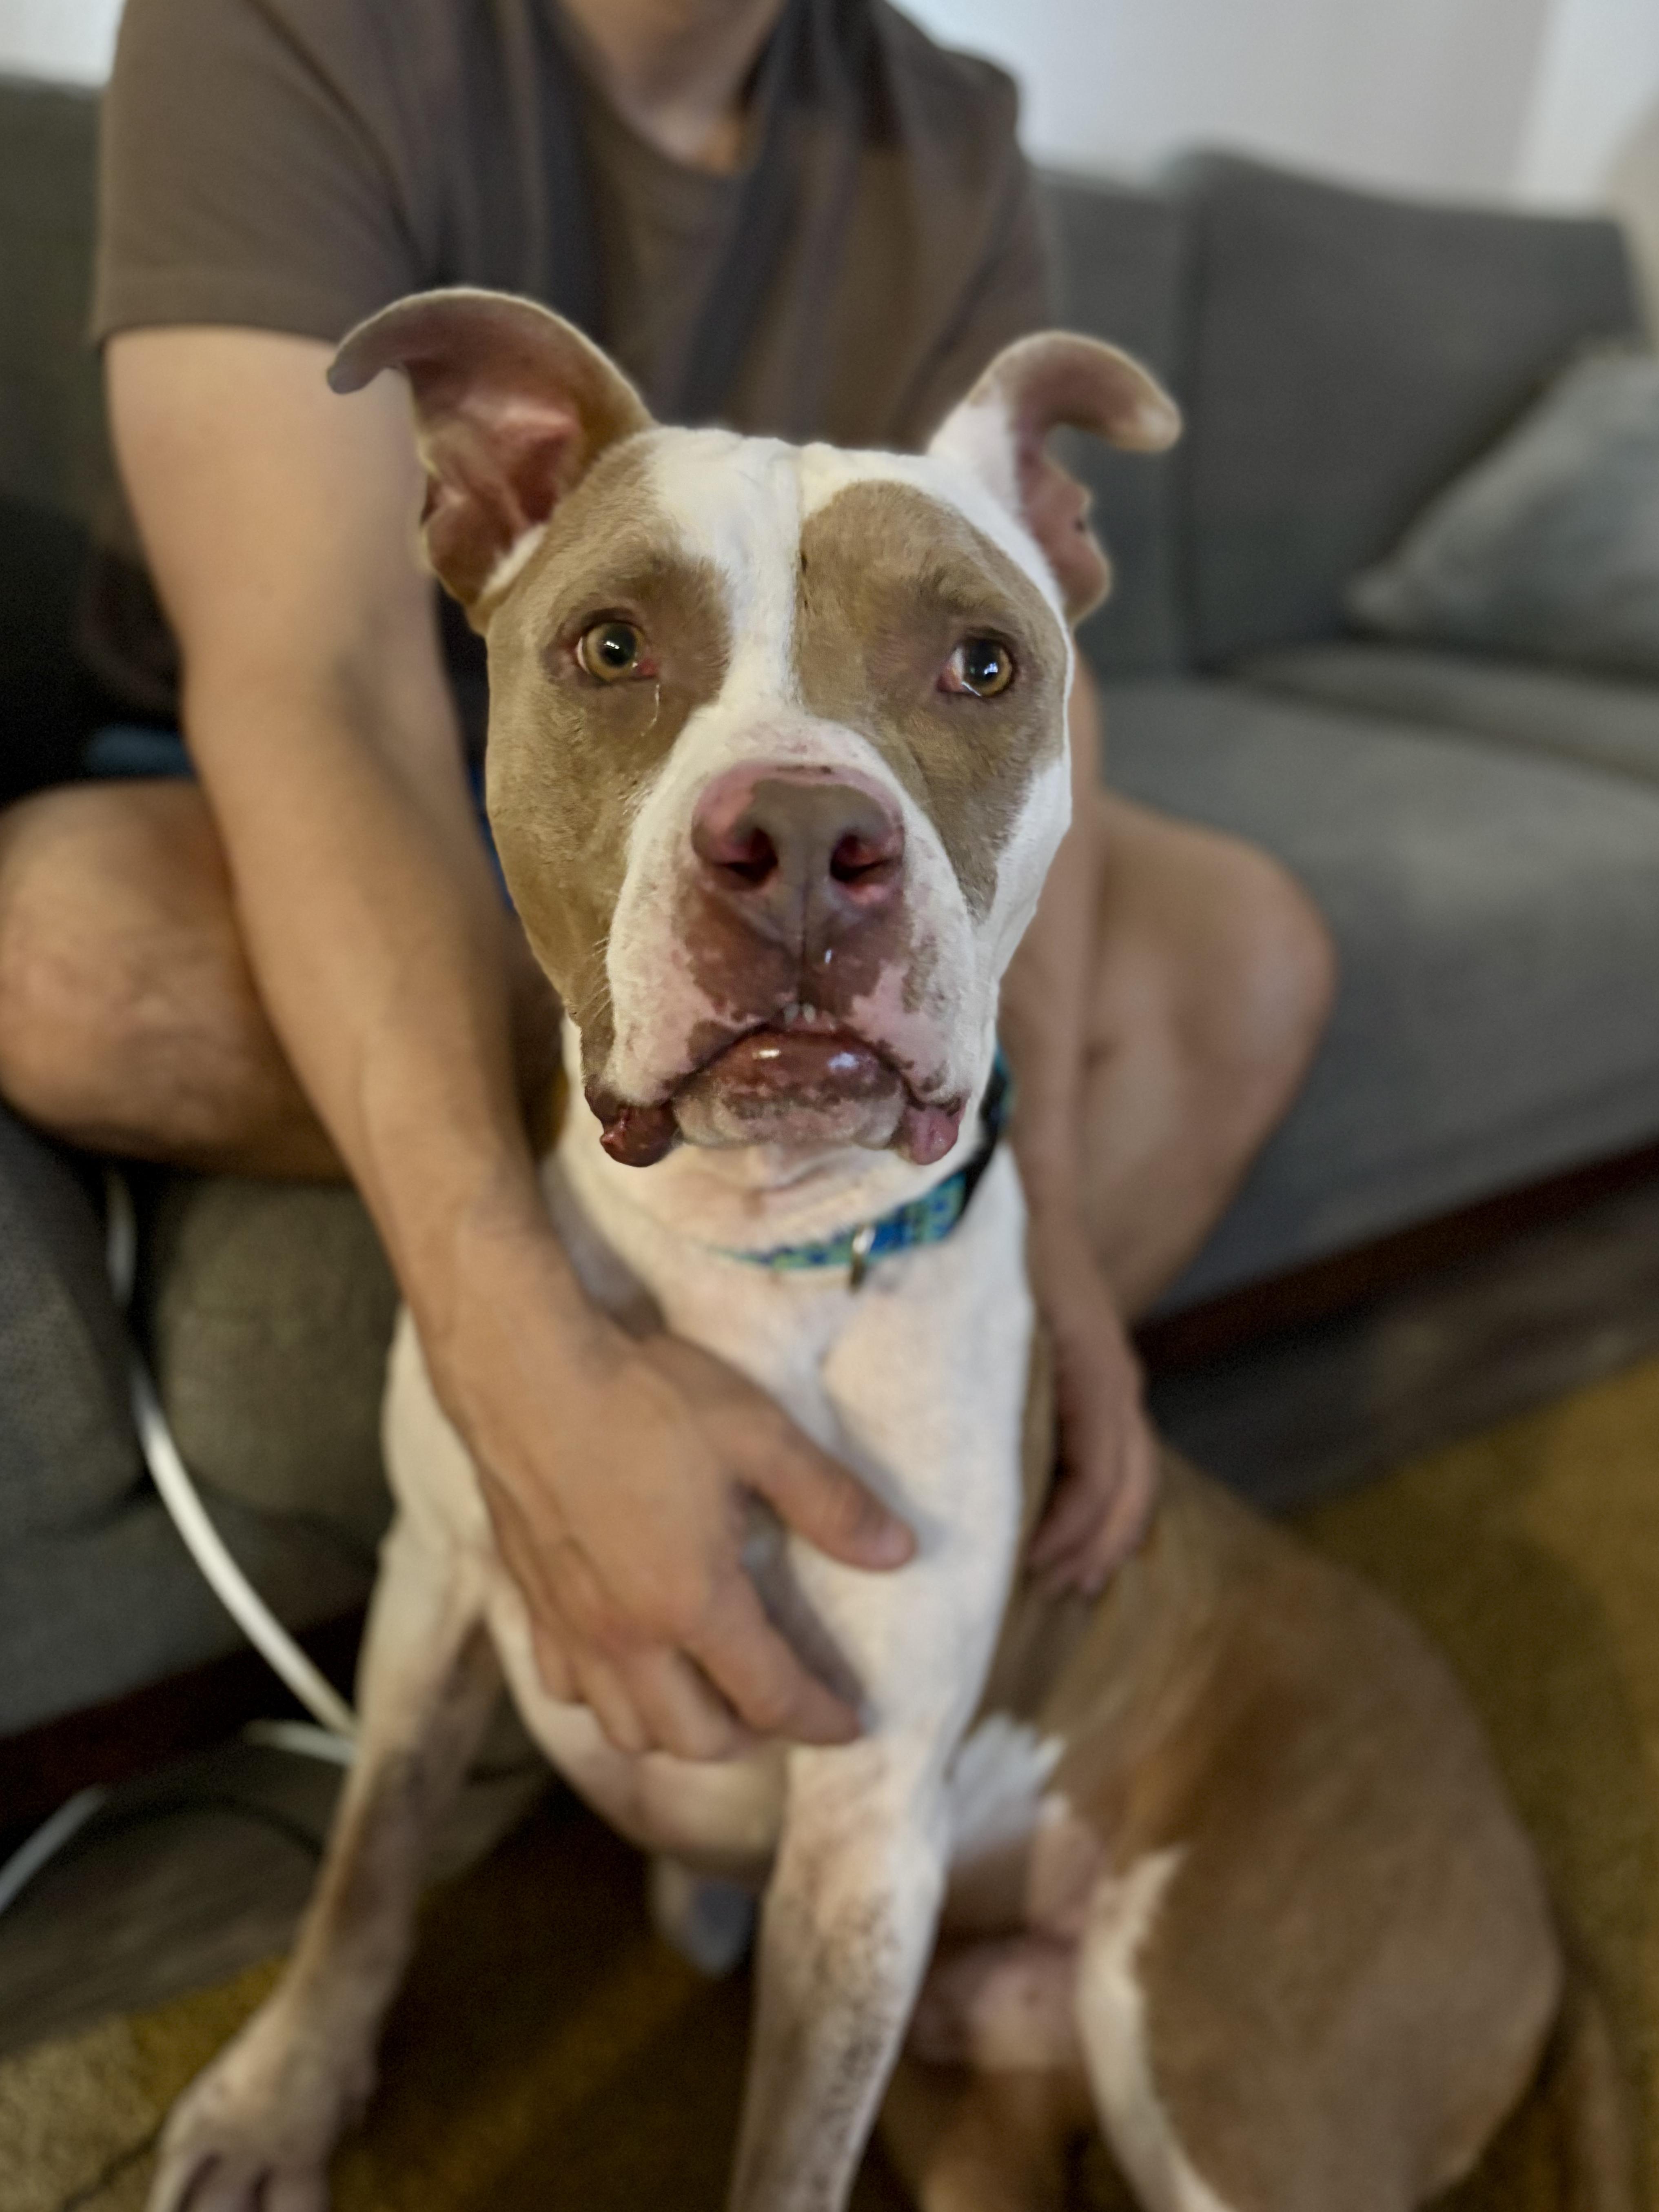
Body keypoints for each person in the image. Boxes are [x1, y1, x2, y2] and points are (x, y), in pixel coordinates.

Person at [0, 0, 1334, 1764]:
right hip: (437, 782)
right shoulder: (288, 26)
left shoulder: (947, 130)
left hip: (838, 802)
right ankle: (649, 1450)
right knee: (59, 950)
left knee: (1252, 951)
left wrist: (1046, 1209)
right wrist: (516, 1350)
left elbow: (1005, 669)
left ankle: (853, 1566)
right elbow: (318, 680)